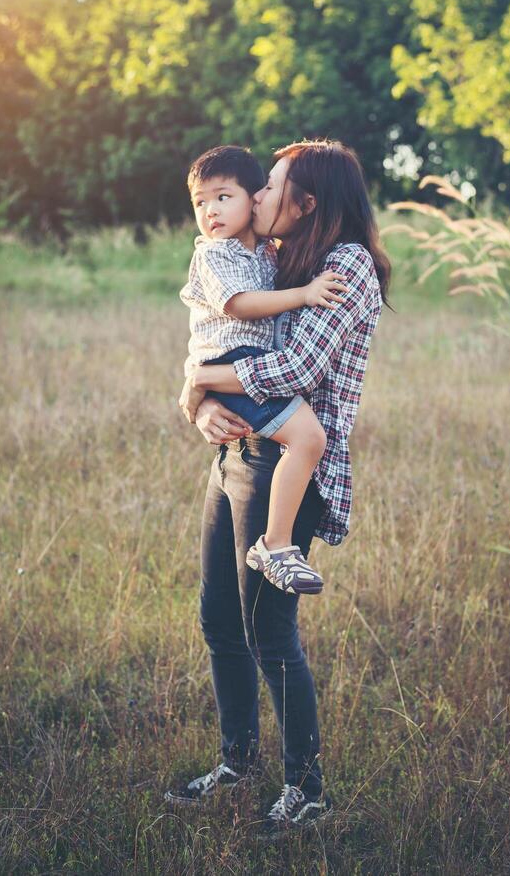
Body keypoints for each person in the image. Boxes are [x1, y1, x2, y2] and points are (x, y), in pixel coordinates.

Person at [167, 140, 390, 834]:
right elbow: (216, 331)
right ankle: (238, 761)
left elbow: (293, 369)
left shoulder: (344, 265)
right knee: (219, 619)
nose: (257, 198)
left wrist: (201, 383)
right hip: (239, 449)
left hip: (288, 465)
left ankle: (307, 788)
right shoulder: (272, 257)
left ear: (308, 202)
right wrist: (198, 399)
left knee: (269, 630)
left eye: (271, 189)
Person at [180, 144, 350, 595]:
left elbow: (296, 359)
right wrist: (304, 294)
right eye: (200, 202)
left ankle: (275, 541)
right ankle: (274, 544)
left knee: (308, 437)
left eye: (223, 197)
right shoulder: (214, 254)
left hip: (241, 368)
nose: (210, 211)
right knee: (309, 437)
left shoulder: (268, 252)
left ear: (255, 197)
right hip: (232, 362)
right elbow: (239, 306)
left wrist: (197, 384)